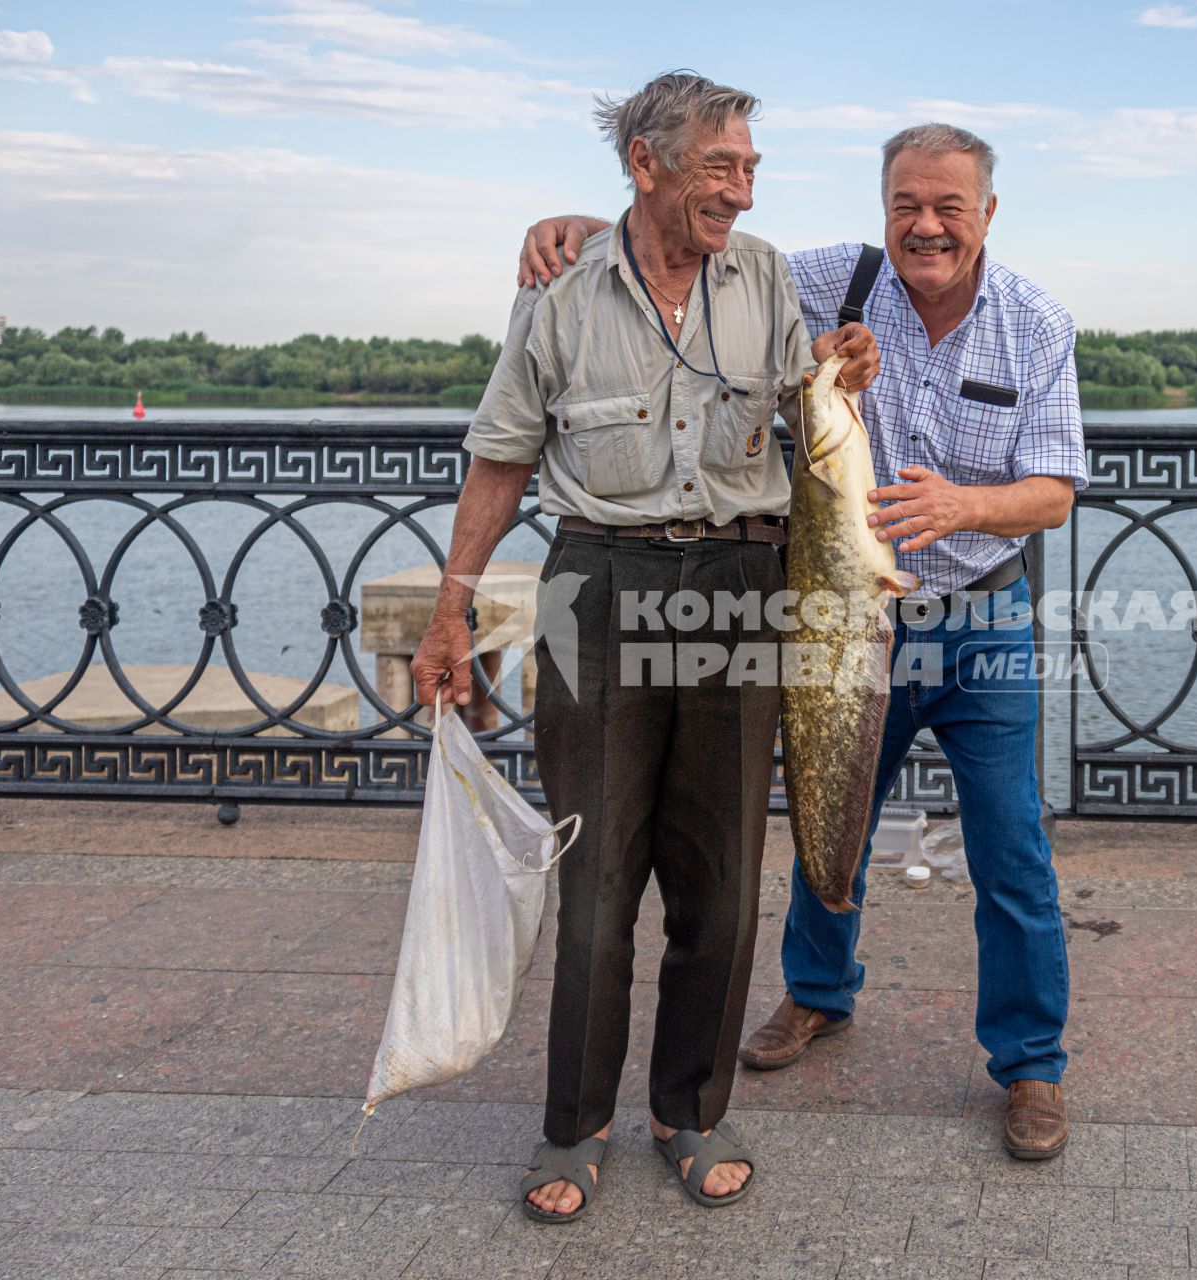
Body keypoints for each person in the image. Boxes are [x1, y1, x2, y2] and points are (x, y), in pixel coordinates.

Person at [518, 122, 1086, 1160]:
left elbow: (1052, 494)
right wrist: (577, 227)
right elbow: (692, 234)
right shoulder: (829, 277)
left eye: (949, 208)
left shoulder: (1037, 324)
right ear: (884, 208)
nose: (926, 226)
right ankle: (818, 993)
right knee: (832, 811)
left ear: (987, 214)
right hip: (835, 613)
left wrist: (963, 504)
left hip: (980, 619)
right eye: (907, 204)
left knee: (1011, 848)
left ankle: (1032, 1064)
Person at [412, 70, 876, 1223]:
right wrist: (449, 607)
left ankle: (689, 1107)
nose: (742, 187)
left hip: (739, 581)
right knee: (597, 875)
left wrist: (843, 373)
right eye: (722, 165)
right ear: (647, 164)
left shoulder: (763, 276)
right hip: (598, 582)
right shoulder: (559, 290)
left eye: (753, 168)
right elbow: (502, 456)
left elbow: (808, 405)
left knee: (719, 881)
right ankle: (575, 1121)